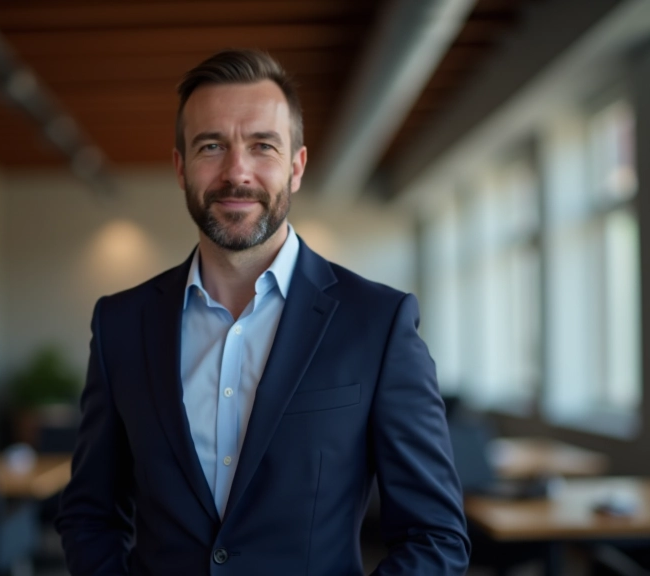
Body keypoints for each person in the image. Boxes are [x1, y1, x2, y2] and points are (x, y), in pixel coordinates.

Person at [56, 49, 470, 575]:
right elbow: (90, 514)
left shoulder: (378, 323)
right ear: (181, 167)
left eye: (262, 146)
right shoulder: (119, 324)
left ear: (296, 166)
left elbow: (434, 537)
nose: (237, 172)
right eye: (211, 146)